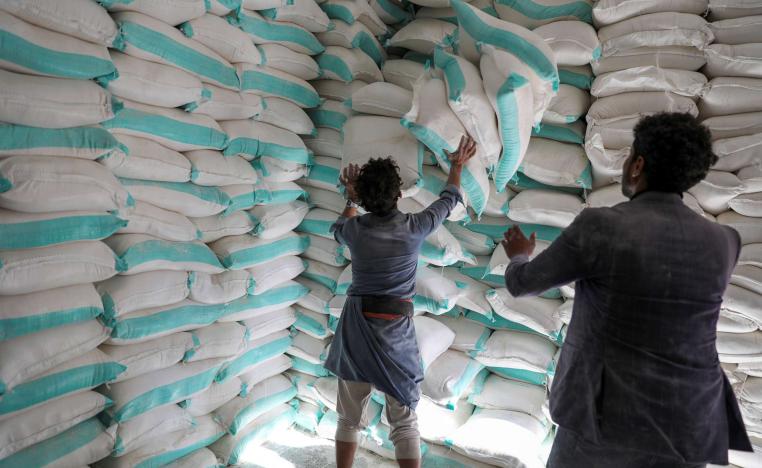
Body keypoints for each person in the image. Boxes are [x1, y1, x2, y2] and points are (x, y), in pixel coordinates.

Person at [502, 112, 752, 467]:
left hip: (605, 422)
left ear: (637, 164)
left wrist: (518, 257)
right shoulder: (725, 242)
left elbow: (522, 284)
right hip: (690, 421)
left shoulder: (602, 226)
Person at [324, 136, 477, 468]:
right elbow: (449, 200)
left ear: (364, 198)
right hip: (396, 333)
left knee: (349, 418)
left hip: (356, 331)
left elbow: (339, 227)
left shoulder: (355, 231)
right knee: (404, 420)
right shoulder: (415, 226)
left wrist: (350, 196)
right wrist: (457, 165)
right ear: (398, 195)